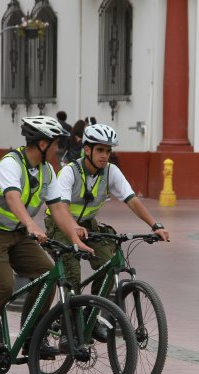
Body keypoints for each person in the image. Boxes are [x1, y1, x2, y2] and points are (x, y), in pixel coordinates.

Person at [0, 115, 93, 371]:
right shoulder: (11, 164)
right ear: (42, 144)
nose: (58, 149)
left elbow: (59, 208)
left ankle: (31, 338)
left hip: (18, 234)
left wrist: (74, 238)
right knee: (4, 286)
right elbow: (12, 197)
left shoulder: (46, 170)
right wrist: (31, 224)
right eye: (55, 144)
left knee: (47, 273)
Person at [44, 123, 169, 341]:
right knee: (72, 273)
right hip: (60, 224)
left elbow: (131, 199)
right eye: (100, 150)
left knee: (108, 266)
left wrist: (155, 225)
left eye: (108, 151)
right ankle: (68, 327)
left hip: (89, 224)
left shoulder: (111, 171)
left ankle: (91, 317)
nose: (105, 156)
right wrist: (72, 226)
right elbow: (61, 207)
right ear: (87, 149)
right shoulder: (69, 172)